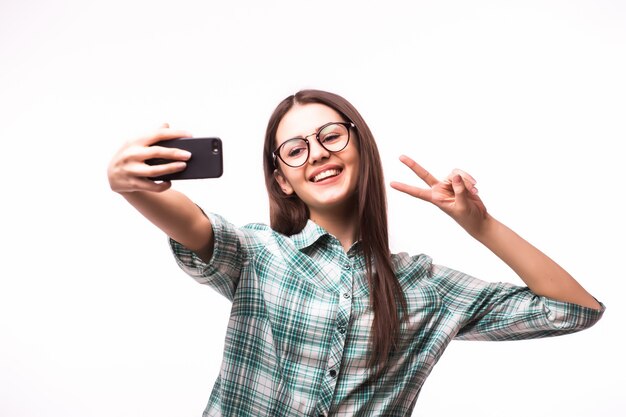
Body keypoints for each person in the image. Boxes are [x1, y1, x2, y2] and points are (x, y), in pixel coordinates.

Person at [108, 89, 604, 417]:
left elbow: (574, 310)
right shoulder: (256, 252)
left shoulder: (423, 286)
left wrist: (481, 225)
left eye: (330, 136)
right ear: (282, 178)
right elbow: (191, 222)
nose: (318, 153)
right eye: (296, 149)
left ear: (360, 148)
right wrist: (129, 184)